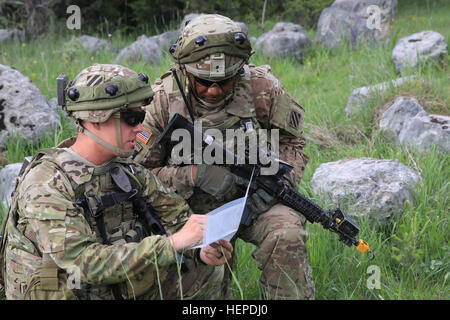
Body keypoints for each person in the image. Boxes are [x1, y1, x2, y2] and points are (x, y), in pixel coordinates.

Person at [0, 63, 232, 300]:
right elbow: (82, 263)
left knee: (205, 269)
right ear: (95, 119)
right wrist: (170, 245)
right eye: (132, 118)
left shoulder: (126, 169)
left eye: (141, 116)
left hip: (111, 282)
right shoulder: (47, 182)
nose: (140, 128)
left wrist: (199, 249)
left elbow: (177, 218)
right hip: (68, 287)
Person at [132, 14, 314, 300]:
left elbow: (293, 142)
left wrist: (282, 180)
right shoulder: (162, 100)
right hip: (187, 209)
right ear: (184, 69)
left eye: (225, 81)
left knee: (286, 233)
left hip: (252, 198)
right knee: (204, 280)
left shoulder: (261, 87)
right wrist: (193, 174)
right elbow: (139, 174)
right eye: (203, 81)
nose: (214, 90)